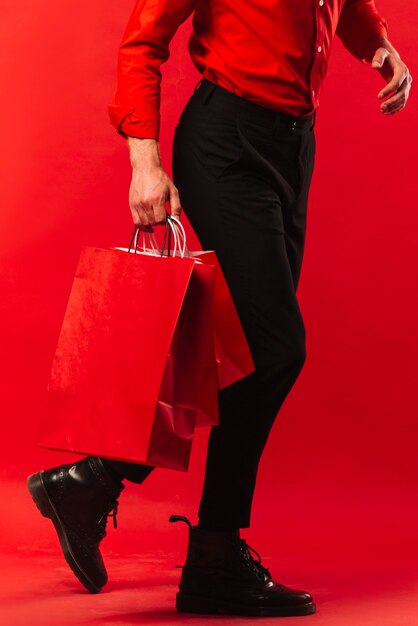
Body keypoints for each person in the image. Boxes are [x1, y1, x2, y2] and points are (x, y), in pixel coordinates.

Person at [27, 0, 411, 618]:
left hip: (292, 149)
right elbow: (142, 40)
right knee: (276, 348)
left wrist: (376, 47)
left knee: (248, 352)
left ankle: (106, 492)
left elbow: (351, 7)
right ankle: (198, 545)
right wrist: (143, 162)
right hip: (226, 145)